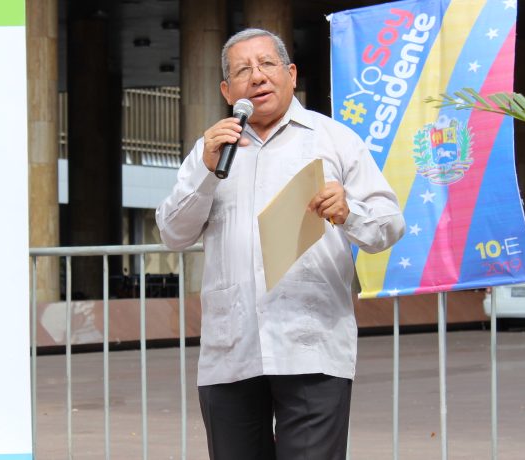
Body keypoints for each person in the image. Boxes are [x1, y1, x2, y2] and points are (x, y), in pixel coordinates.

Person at [156, 29, 405, 459]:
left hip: (311, 346)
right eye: (242, 71)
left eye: (267, 64)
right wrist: (205, 173)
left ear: (291, 74)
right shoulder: (211, 151)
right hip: (231, 351)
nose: (257, 78)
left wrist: (350, 212)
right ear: (227, 89)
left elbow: (390, 225)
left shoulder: (333, 140)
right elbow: (172, 234)